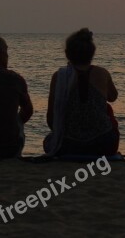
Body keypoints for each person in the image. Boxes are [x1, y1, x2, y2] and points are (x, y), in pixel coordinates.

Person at [44, 28, 119, 156]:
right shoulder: (102, 73)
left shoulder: (59, 77)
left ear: (67, 53)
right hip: (103, 144)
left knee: (48, 141)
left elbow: (51, 118)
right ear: (92, 53)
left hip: (70, 145)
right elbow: (113, 96)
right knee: (107, 108)